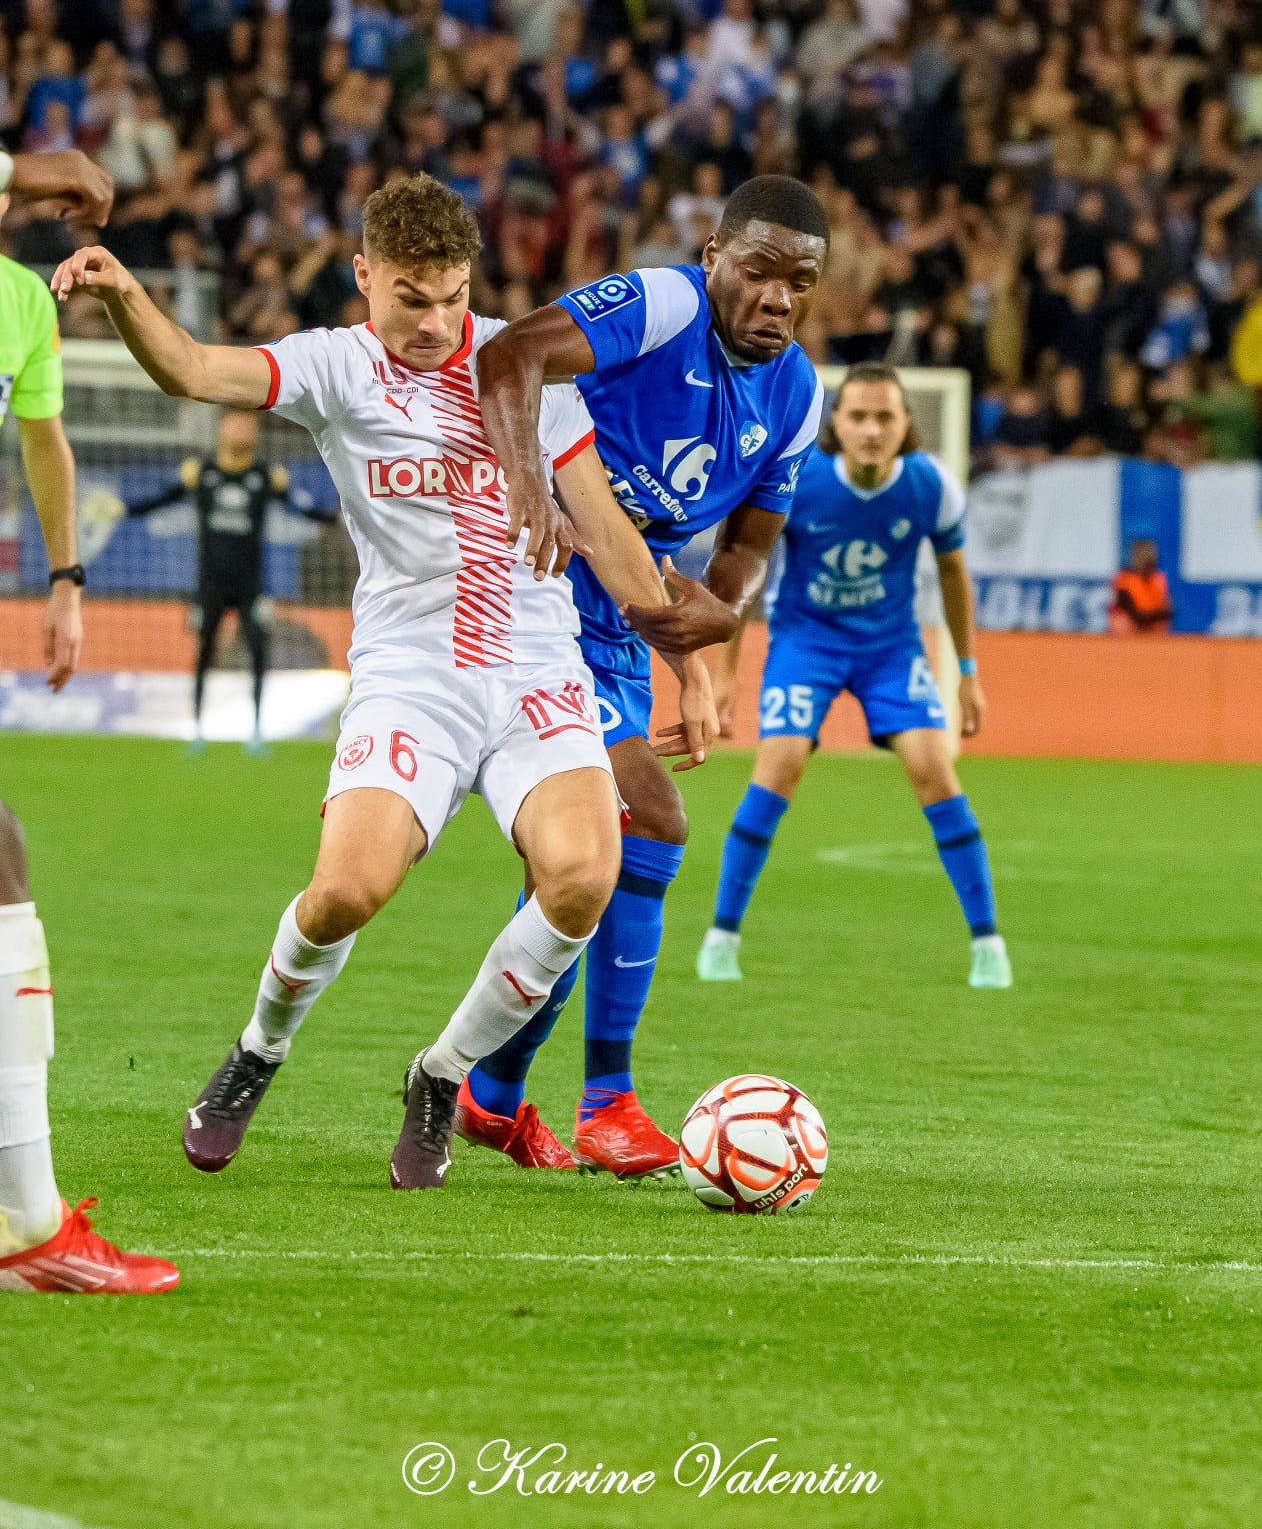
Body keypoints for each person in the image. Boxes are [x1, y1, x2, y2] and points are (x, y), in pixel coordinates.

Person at [50, 174, 716, 1191]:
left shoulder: (523, 369)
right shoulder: (334, 366)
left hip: (537, 668)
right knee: (344, 892)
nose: (435, 319)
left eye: (451, 294)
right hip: (412, 672)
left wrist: (689, 657)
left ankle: (440, 1074)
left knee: (583, 876)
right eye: (410, 295)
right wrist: (124, 292)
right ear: (364, 276)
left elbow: (615, 542)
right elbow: (190, 370)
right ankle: (257, 1052)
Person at [462, 175, 827, 1178]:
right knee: (642, 824)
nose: (775, 297)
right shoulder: (661, 307)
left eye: (798, 281)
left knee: (591, 861)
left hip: (616, 628)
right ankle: (597, 1100)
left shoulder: (795, 395)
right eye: (756, 270)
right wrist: (529, 483)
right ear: (713, 256)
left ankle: (493, 1095)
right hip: (531, 597)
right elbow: (511, 354)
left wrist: (722, 612)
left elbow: (750, 536)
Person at [0, 145, 180, 1292]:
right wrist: (40, 161)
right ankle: (30, 1224)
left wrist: (66, 575)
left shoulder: (22, 303)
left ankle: (30, 1217)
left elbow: (44, 438)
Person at [697, 364, 1013, 993]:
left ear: (906, 426)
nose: (871, 429)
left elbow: (954, 576)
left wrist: (968, 673)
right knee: (777, 767)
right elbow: (742, 570)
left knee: (936, 773)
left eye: (885, 417)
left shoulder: (931, 488)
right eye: (859, 416)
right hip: (805, 644)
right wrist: (725, 672)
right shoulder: (799, 482)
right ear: (835, 425)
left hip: (890, 650)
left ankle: (988, 945)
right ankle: (721, 937)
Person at [116, 409, 339, 750]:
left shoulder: (266, 476)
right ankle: (198, 729)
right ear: (220, 429)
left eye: (248, 423)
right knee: (205, 650)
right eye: (235, 422)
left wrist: (337, 517)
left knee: (258, 651)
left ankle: (256, 732)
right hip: (210, 582)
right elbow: (162, 500)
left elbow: (300, 508)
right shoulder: (200, 473)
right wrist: (124, 510)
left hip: (252, 583)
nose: (242, 428)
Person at [1109, 539, 1174, 635]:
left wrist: (1159, 613)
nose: (1149, 558)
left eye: (1151, 554)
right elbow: (1134, 615)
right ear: (1135, 557)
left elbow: (1168, 611)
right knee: (1120, 620)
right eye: (1144, 554)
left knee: (1161, 625)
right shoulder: (1124, 579)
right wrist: (1157, 614)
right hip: (1131, 630)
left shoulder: (1159, 579)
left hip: (1153, 629)